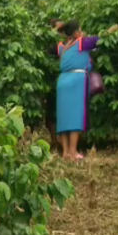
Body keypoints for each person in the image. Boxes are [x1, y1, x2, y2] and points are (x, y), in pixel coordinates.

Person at [56, 20, 118, 161]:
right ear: (77, 32)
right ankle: (73, 151)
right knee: (75, 117)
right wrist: (111, 30)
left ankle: (65, 152)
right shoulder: (81, 43)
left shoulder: (62, 47)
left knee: (64, 118)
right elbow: (100, 39)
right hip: (76, 81)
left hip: (62, 81)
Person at [45, 18, 65, 154]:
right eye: (58, 30)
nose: (61, 33)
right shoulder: (49, 45)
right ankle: (54, 140)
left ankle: (61, 140)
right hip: (52, 81)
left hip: (63, 81)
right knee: (51, 109)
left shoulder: (66, 44)